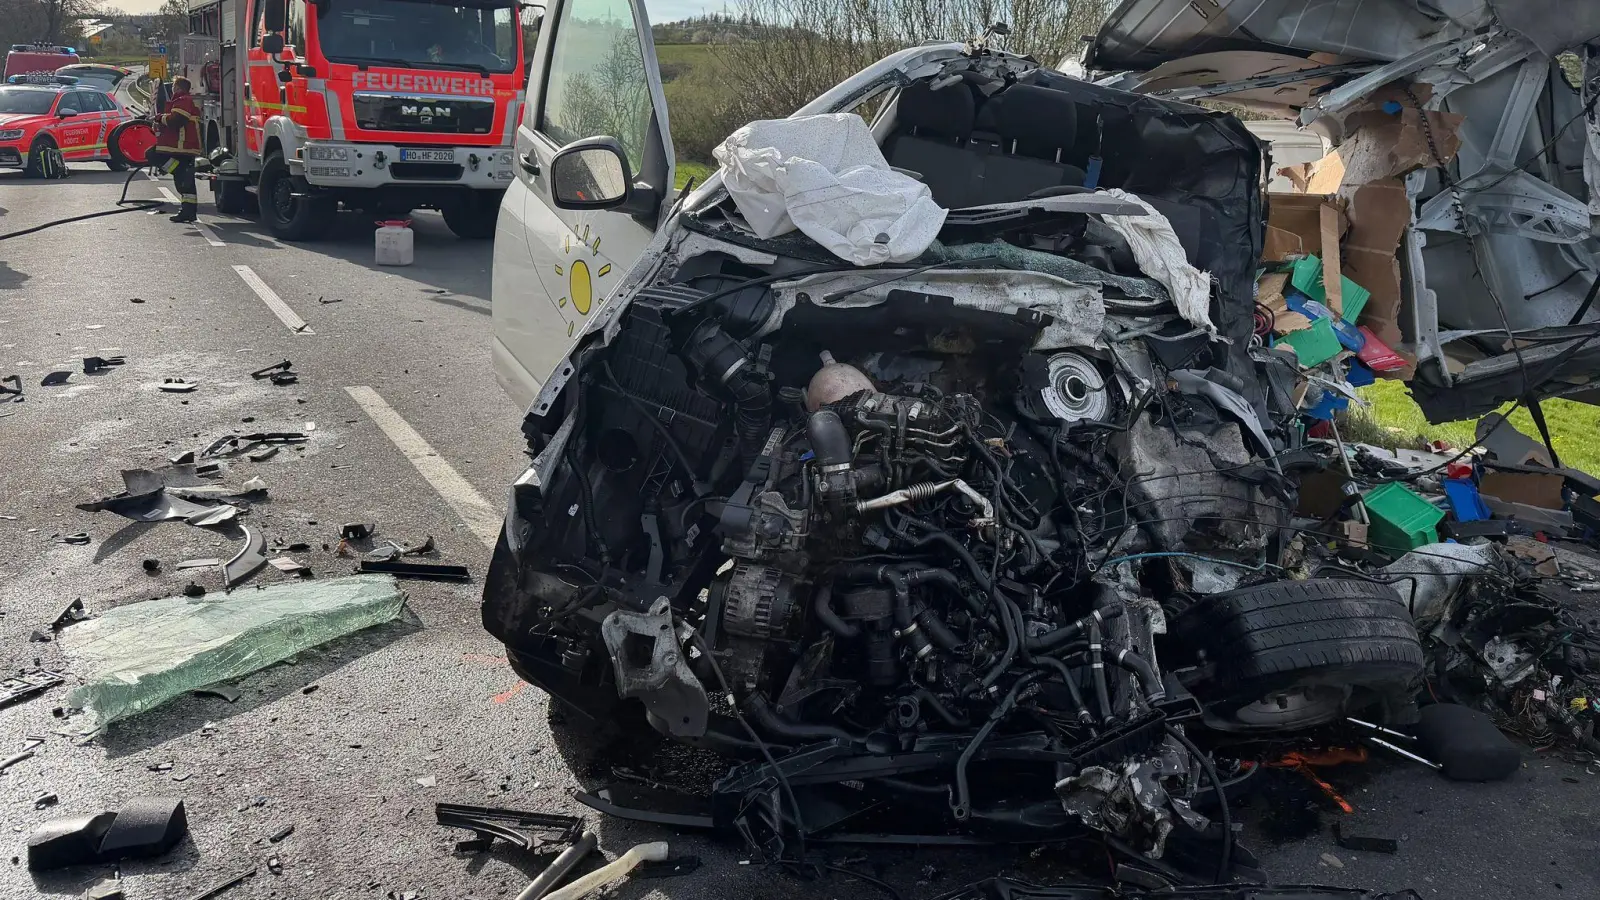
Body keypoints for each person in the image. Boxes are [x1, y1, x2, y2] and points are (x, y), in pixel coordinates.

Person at [149, 76, 203, 224]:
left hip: (182, 145)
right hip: (180, 146)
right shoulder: (179, 101)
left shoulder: (183, 100)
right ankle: (188, 212)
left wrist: (160, 118)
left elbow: (176, 120)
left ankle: (176, 170)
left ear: (178, 88)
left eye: (173, 86)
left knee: (152, 155)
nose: (172, 89)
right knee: (185, 183)